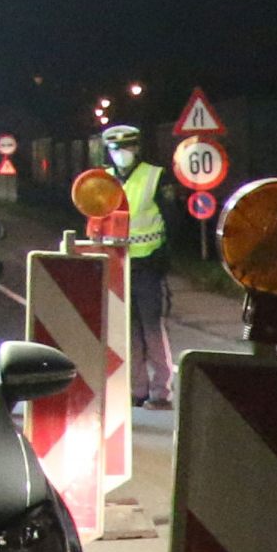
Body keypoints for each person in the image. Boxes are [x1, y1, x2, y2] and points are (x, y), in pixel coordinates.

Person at [100, 123, 177, 408]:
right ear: (109, 151)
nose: (122, 153)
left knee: (152, 327)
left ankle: (161, 391)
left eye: (127, 147)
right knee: (129, 328)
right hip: (117, 263)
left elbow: (173, 218)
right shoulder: (103, 180)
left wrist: (165, 254)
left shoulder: (155, 176)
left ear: (137, 148)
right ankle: (138, 389)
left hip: (148, 263)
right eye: (116, 148)